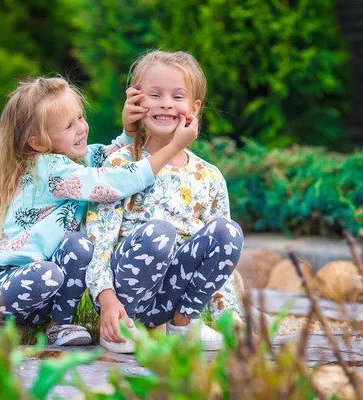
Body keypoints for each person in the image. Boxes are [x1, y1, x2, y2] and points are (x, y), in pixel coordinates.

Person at [0, 76, 198, 355]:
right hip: (10, 284)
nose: (81, 128)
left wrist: (127, 132)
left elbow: (107, 157)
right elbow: (112, 182)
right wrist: (174, 146)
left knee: (80, 245)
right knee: (48, 273)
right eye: (68, 125)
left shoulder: (75, 160)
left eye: (80, 117)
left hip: (48, 292)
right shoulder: (49, 168)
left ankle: (57, 324)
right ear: (38, 143)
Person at [86, 51, 244, 353]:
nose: (166, 104)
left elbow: (218, 265)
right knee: (160, 233)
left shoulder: (209, 177)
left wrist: (228, 317)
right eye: (154, 95)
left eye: (178, 96)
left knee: (228, 232)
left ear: (195, 108)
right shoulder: (119, 164)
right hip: (124, 297)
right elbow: (99, 243)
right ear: (135, 100)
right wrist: (106, 299)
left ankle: (184, 326)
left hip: (173, 299)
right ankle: (121, 326)